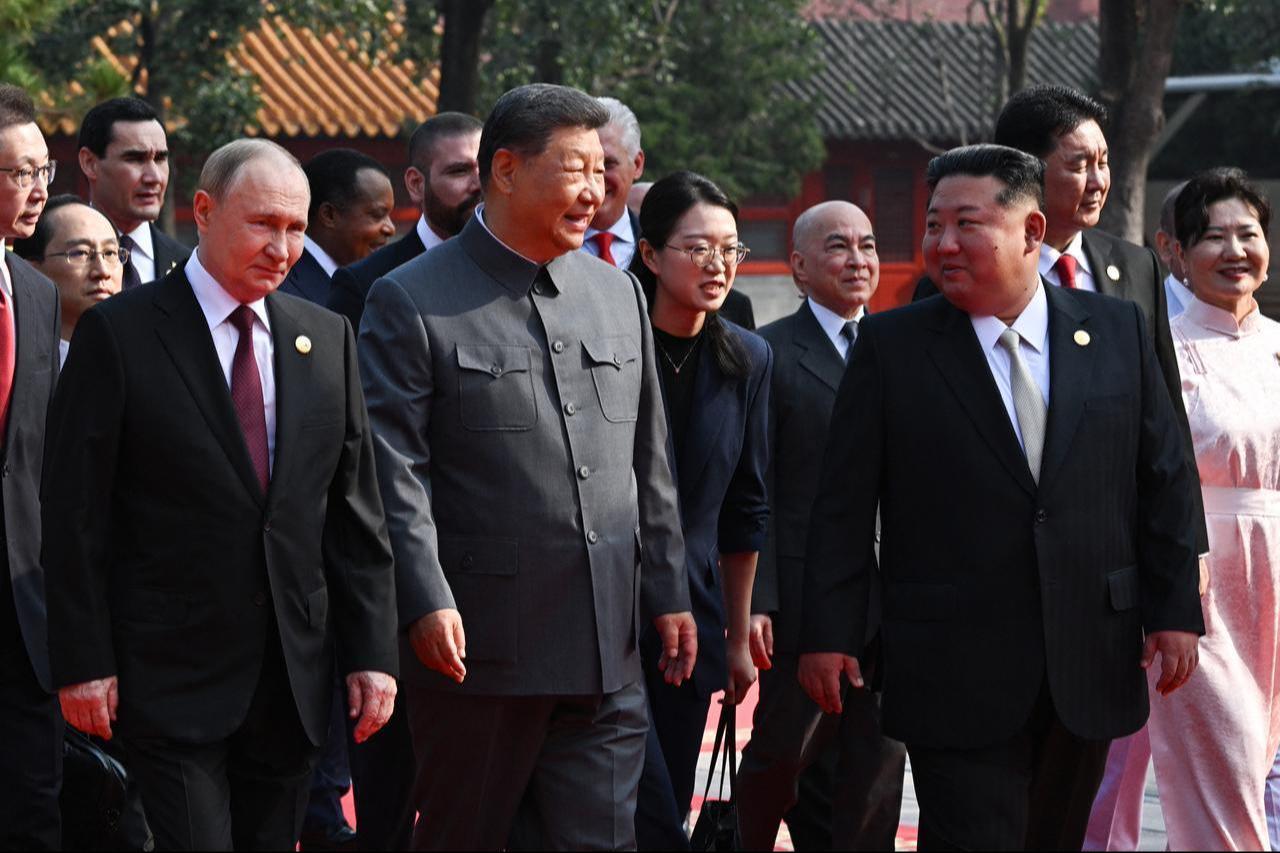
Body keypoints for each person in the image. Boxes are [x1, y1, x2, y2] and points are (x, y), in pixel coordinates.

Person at [801, 144, 1204, 850]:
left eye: (967, 223)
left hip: (1088, 650)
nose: (943, 243)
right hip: (952, 660)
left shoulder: (1115, 330)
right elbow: (842, 504)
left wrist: (1174, 610)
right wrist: (830, 633)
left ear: (1031, 231)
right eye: (934, 225)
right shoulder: (893, 346)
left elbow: (1164, 476)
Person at [357, 83, 697, 851]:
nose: (595, 190)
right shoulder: (411, 299)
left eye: (601, 170)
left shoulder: (619, 294)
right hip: (478, 649)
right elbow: (393, 469)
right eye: (574, 168)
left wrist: (668, 588)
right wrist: (424, 598)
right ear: (505, 171)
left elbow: (649, 459)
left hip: (607, 645)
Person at [43, 138, 399, 851]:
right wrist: (82, 661)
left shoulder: (324, 336)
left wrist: (373, 653)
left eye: (295, 228)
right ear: (203, 211)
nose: (282, 247)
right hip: (167, 674)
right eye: (263, 223)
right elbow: (75, 511)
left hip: (291, 678)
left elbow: (354, 514)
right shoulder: (123, 332)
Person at [913, 86, 1209, 563]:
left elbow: (1167, 420)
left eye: (1103, 163)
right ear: (1027, 170)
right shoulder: (952, 283)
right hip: (992, 546)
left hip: (1114, 542)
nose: (1098, 181)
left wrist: (1190, 545)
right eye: (1079, 165)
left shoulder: (1135, 267)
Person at [738, 200, 906, 852]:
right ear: (800, 267)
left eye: (868, 245)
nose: (858, 259)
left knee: (877, 768)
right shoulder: (769, 352)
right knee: (782, 756)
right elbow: (756, 486)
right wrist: (759, 599)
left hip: (890, 598)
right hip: (803, 601)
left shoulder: (899, 346)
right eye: (839, 246)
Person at [627, 171, 771, 849]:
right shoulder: (611, 346)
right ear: (650, 254)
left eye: (730, 249)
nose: (718, 264)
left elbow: (746, 506)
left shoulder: (747, 357)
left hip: (691, 623)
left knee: (669, 793)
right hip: (606, 609)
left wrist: (737, 638)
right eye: (698, 248)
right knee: (645, 813)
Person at [1146, 167, 1280, 851]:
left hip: (1275, 580)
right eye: (1214, 237)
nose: (1235, 251)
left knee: (1260, 772)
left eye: (1248, 234)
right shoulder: (1160, 349)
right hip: (1202, 583)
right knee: (1222, 767)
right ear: (1177, 251)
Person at [1082, 179, 1192, 853]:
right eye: (1211, 235)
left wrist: (1180, 583)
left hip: (1214, 568)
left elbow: (1167, 449)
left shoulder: (1131, 274)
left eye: (1247, 234)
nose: (1098, 178)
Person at [0, 84, 63, 852]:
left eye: (44, 171)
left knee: (32, 798)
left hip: (24, 598)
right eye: (21, 172)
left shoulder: (38, 293)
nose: (39, 189)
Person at [587, 97, 755, 329]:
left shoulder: (730, 308)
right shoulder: (545, 258)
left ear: (637, 164)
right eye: (581, 165)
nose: (594, 178)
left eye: (608, 164)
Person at [326, 112, 481, 334]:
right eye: (459, 171)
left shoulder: (518, 272)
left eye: (486, 168)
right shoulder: (366, 284)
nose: (479, 184)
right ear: (416, 184)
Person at [77, 97, 188, 285]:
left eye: (160, 159)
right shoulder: (54, 256)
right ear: (90, 163)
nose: (154, 177)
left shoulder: (189, 269)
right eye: (135, 159)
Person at [12, 195, 123, 367]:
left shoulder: (142, 354)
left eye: (110, 253)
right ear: (29, 270)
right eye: (80, 253)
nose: (103, 271)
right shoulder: (13, 360)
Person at [281, 149, 395, 306]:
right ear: (329, 215)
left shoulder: (378, 283)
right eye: (378, 215)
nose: (390, 228)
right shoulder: (281, 282)